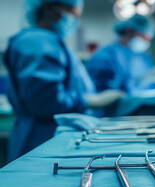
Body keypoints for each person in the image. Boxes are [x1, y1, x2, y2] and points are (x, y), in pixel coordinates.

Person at [4, 0, 125, 162]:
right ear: (48, 7)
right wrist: (89, 100)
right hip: (42, 138)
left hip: (52, 136)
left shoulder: (51, 42)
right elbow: (45, 102)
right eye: (72, 13)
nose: (74, 20)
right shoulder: (38, 42)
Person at [87, 14, 155, 95]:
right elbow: (104, 94)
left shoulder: (144, 57)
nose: (147, 42)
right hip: (114, 112)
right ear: (129, 30)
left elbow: (152, 91)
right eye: (144, 37)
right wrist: (143, 79)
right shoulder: (105, 56)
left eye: (149, 39)